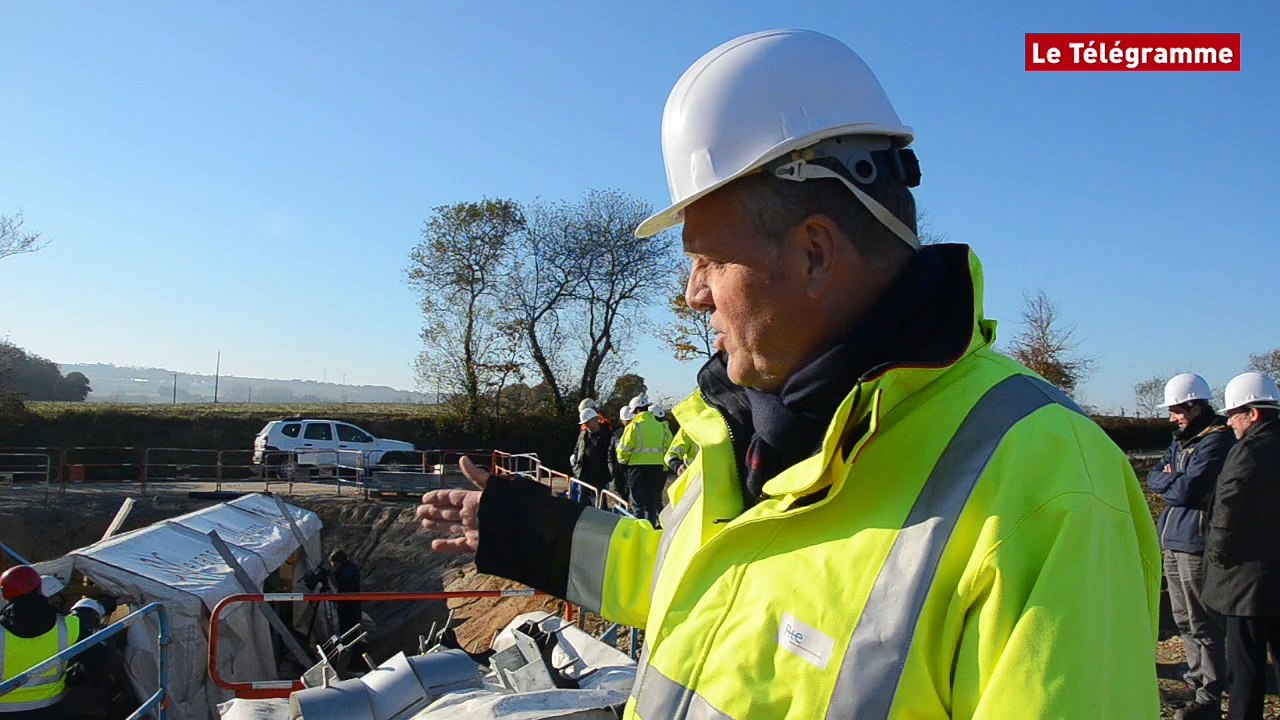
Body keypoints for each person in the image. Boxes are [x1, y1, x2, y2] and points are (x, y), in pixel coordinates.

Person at [418, 29, 1159, 718]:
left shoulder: (1048, 485)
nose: (692, 293)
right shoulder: (746, 427)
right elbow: (709, 592)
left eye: (708, 259)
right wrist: (529, 530)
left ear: (812, 252)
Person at [1145, 373, 1233, 720]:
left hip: (1196, 542)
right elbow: (1156, 476)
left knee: (1203, 622)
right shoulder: (1183, 441)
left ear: (1195, 406)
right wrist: (1170, 478)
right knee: (1183, 618)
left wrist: (1171, 480)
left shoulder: (1216, 442)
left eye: (1177, 410)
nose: (1172, 417)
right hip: (1174, 540)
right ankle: (1195, 681)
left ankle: (1210, 693)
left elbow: (1186, 490)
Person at [1202, 372, 1280, 720]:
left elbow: (1227, 511)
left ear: (1254, 413)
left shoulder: (1247, 452)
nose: (1229, 423)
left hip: (1247, 584)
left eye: (1233, 414)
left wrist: (1218, 559)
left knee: (1246, 668)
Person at [0, 565, 84, 718]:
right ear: (40, 589)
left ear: (5, 594)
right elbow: (99, 653)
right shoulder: (70, 625)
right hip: (50, 708)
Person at [616, 394, 673, 526]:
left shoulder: (634, 426)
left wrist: (623, 462)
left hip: (637, 471)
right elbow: (668, 447)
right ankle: (651, 531)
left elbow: (623, 450)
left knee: (638, 506)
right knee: (651, 506)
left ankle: (640, 532)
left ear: (636, 410)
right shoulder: (661, 426)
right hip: (657, 471)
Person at [572, 407, 612, 506]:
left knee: (600, 502)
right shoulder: (583, 434)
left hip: (600, 475)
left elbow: (610, 455)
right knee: (583, 501)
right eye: (584, 423)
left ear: (595, 420)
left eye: (587, 422)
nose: (586, 425)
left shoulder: (606, 435)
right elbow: (577, 449)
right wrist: (576, 464)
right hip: (583, 474)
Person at [327, 550, 361, 637]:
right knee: (352, 630)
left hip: (348, 606)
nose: (334, 566)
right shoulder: (350, 569)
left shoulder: (346, 573)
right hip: (352, 605)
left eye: (334, 564)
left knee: (348, 630)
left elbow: (344, 589)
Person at [607, 404, 634, 504]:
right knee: (623, 497)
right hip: (621, 471)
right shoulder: (617, 434)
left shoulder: (635, 432)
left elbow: (610, 455)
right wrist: (613, 471)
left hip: (631, 471)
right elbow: (610, 454)